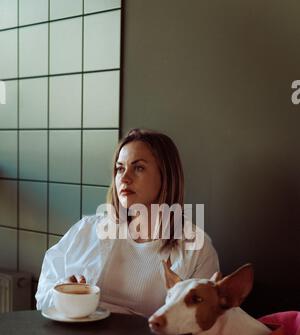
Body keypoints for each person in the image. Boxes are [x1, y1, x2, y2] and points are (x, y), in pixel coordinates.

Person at [36, 128, 219, 317]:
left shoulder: (196, 249)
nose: (124, 178)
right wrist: (64, 294)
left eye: (138, 167)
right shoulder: (88, 229)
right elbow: (43, 294)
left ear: (166, 176)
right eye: (120, 168)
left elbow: (203, 324)